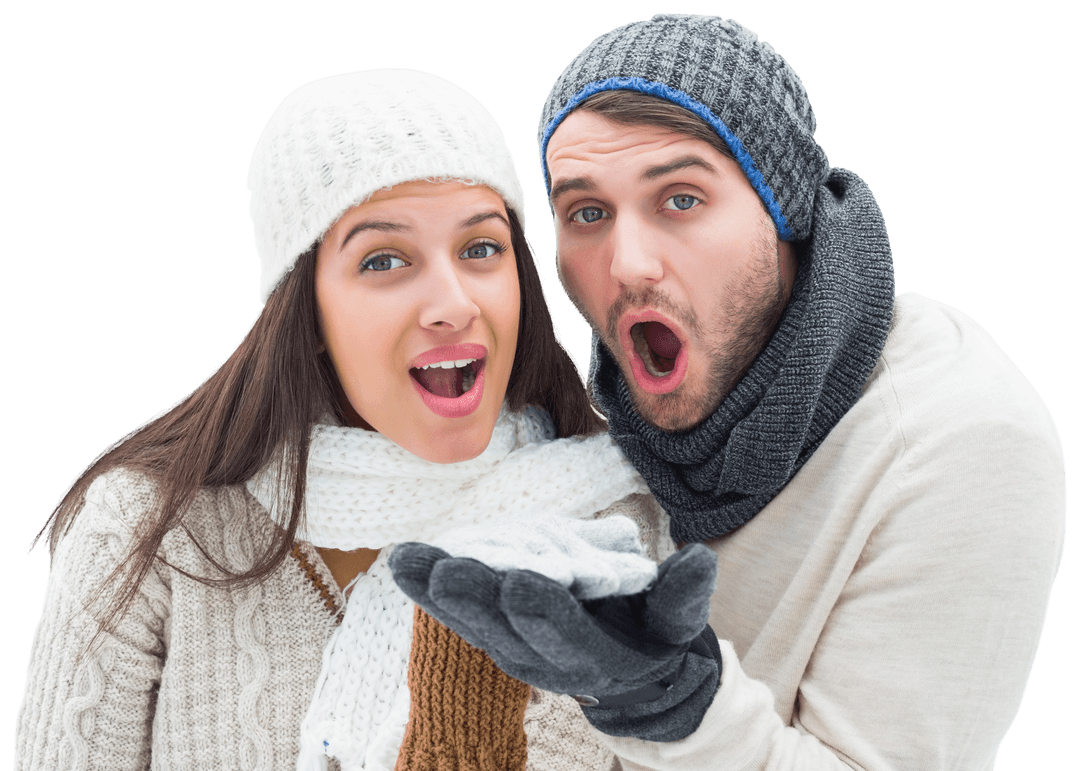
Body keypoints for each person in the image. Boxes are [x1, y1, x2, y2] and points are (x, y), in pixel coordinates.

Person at [389, 13, 1068, 771]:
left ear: (782, 209)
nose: (628, 263)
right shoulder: (601, 429)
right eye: (587, 213)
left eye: (681, 199)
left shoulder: (960, 438)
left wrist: (676, 707)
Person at [15, 67, 677, 770]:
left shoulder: (614, 529)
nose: (452, 302)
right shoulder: (151, 530)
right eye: (384, 259)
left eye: (481, 248)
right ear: (309, 312)